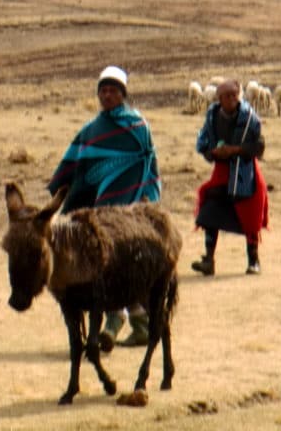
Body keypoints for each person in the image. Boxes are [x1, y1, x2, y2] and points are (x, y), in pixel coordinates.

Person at [47, 65, 161, 350]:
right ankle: (124, 322)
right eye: (103, 90)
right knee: (107, 264)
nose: (107, 95)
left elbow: (148, 161)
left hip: (131, 210)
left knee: (128, 265)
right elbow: (78, 163)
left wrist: (148, 195)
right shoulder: (92, 130)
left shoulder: (137, 126)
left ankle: (129, 324)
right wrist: (62, 187)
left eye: (113, 91)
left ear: (123, 94)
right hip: (102, 210)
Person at [192, 79, 269, 275]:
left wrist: (234, 150)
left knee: (251, 211)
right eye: (227, 96)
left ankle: (254, 260)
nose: (232, 99)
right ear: (219, 98)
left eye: (235, 95)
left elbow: (258, 147)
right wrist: (215, 153)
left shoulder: (250, 117)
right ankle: (208, 260)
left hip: (245, 170)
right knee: (210, 209)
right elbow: (204, 144)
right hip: (223, 170)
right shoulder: (212, 117)